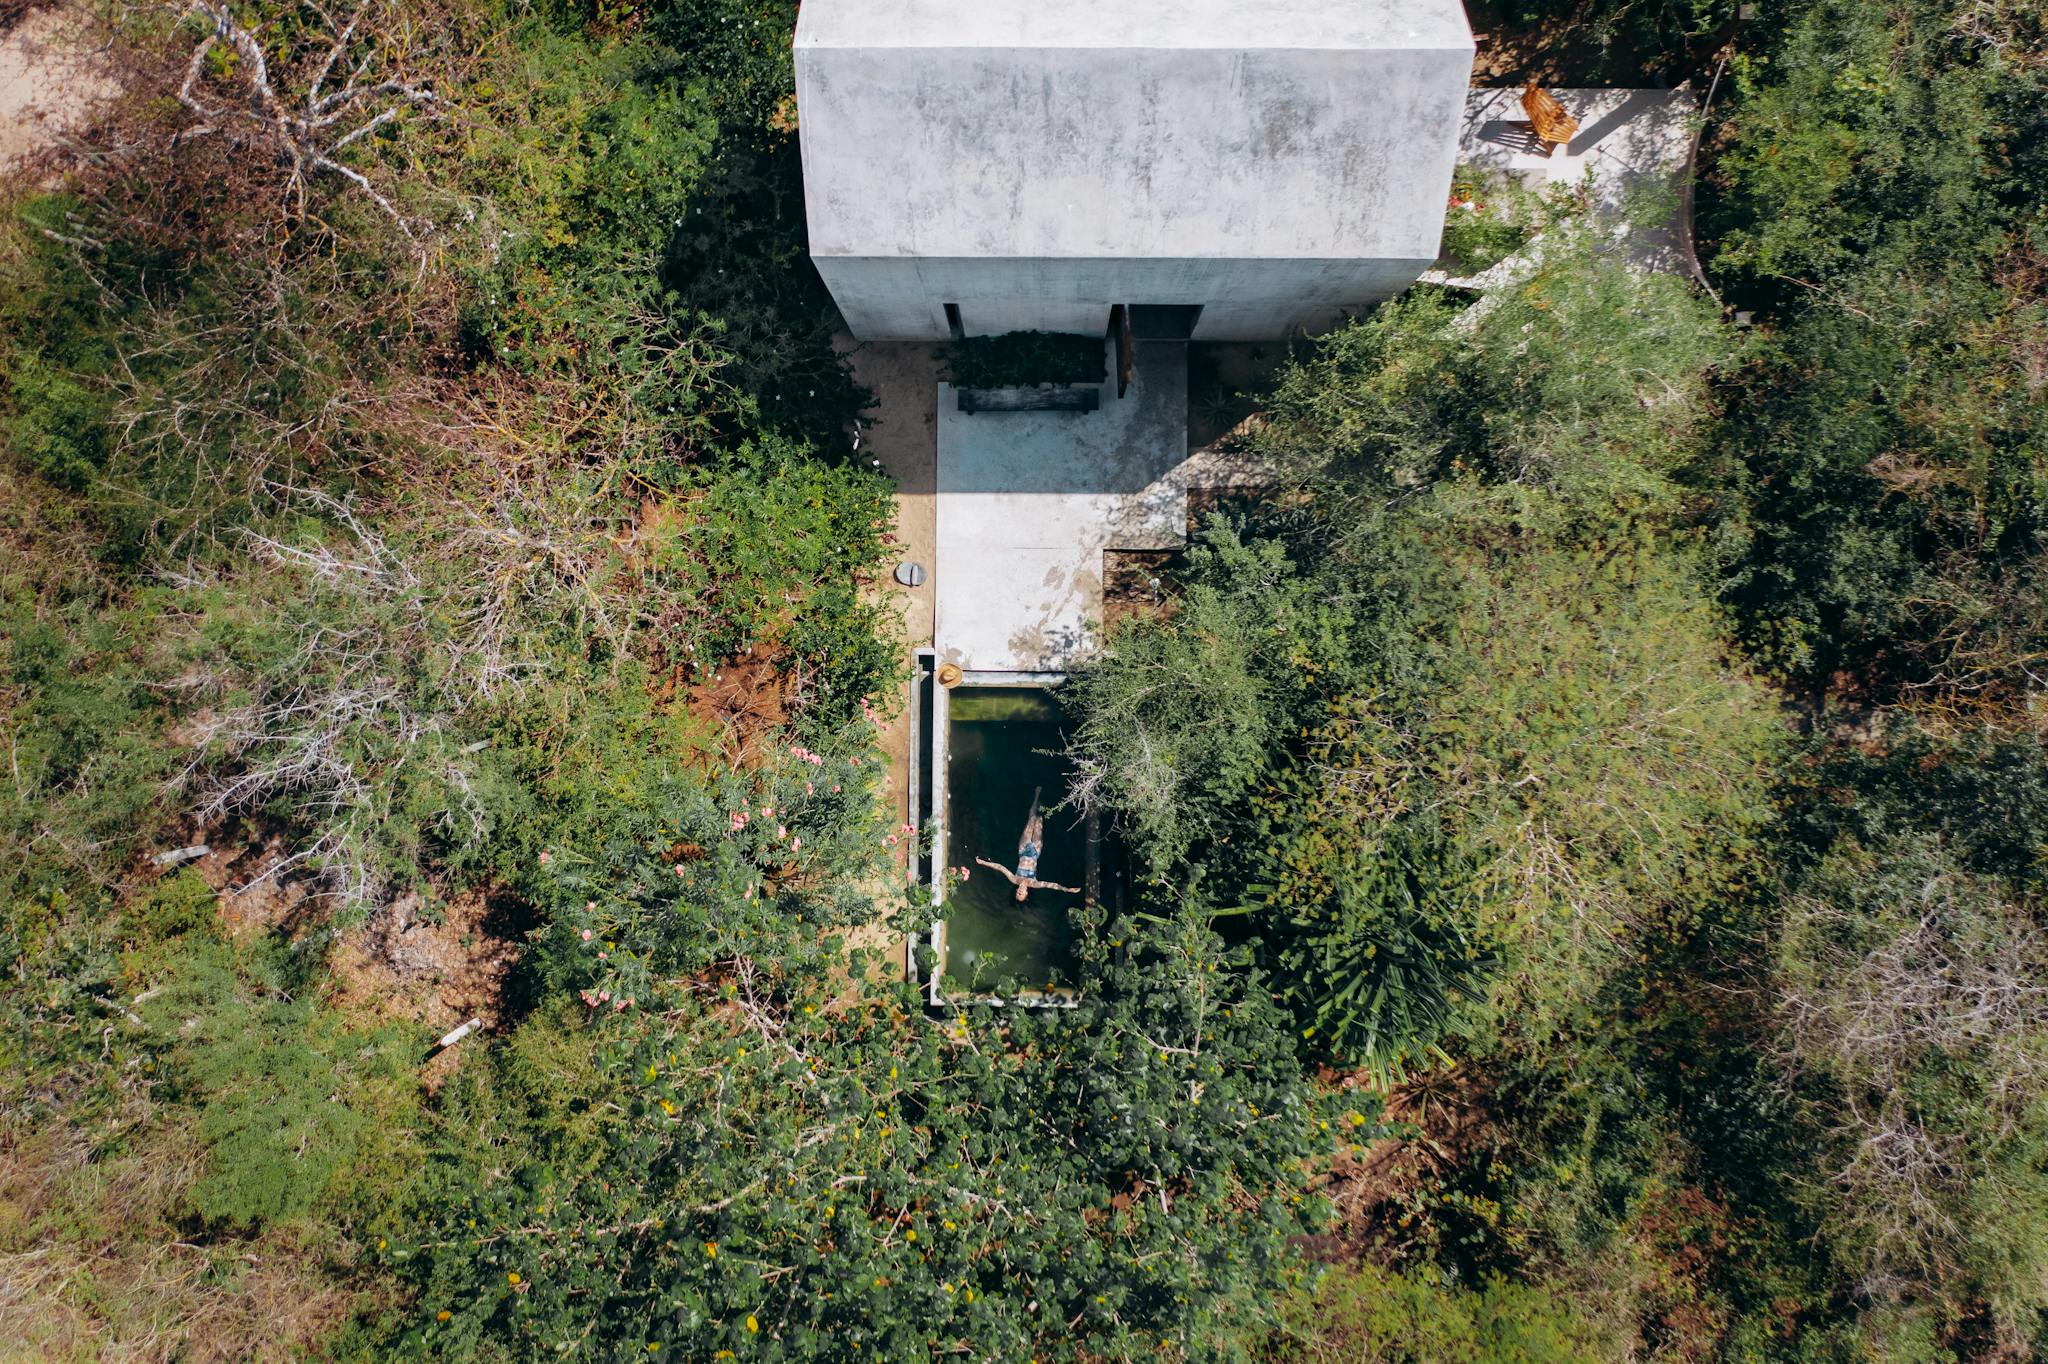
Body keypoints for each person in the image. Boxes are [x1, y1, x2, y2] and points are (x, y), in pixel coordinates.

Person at [975, 786, 1081, 902]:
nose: (1019, 893)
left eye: (1017, 894)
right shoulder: (1033, 883)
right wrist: (1066, 889)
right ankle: (1041, 808)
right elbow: (1049, 885)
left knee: (1031, 820)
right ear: (1026, 893)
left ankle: (1036, 796)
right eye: (1021, 895)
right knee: (1039, 821)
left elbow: (1000, 867)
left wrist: (983, 862)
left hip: (1023, 849)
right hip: (1035, 851)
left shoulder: (1014, 879)